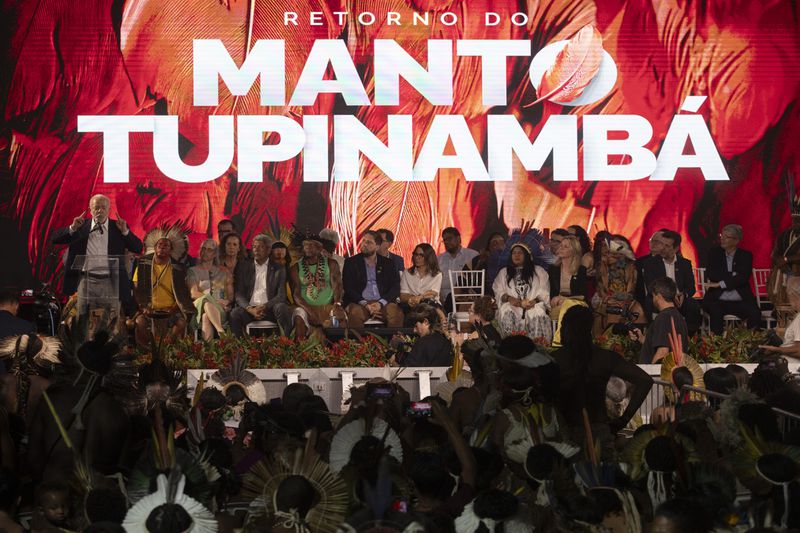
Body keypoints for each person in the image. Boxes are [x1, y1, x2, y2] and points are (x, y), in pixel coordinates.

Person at [552, 306, 653, 456]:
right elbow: (644, 380)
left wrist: (624, 419)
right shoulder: (603, 358)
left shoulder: (556, 360)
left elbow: (645, 380)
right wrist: (624, 419)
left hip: (571, 432)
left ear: (566, 328)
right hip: (591, 430)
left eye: (561, 327)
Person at [50, 194, 143, 314]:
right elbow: (54, 239)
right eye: (96, 207)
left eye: (104, 207)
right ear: (90, 210)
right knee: (82, 318)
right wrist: (72, 228)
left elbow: (138, 248)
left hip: (111, 281)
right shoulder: (80, 226)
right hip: (85, 279)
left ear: (109, 210)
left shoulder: (118, 227)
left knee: (110, 320)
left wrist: (125, 231)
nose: (100, 210)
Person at [132, 230, 194, 345]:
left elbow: (181, 294)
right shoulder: (143, 266)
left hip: (170, 310)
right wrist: (144, 307)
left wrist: (172, 310)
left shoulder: (178, 269)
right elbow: (137, 290)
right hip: (149, 310)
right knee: (139, 321)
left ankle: (167, 345)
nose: (162, 248)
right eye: (159, 245)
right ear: (155, 248)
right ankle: (151, 348)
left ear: (171, 250)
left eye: (166, 246)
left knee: (181, 323)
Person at [702, 224, 761, 333]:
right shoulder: (714, 253)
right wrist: (733, 275)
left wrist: (720, 283)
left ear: (736, 240)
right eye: (721, 236)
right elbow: (712, 274)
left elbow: (743, 277)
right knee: (716, 312)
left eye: (726, 237)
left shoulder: (746, 256)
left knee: (755, 313)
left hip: (741, 299)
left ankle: (750, 344)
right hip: (718, 299)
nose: (722, 239)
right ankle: (716, 345)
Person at [230, 234, 292, 336]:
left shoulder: (279, 269)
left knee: (282, 308)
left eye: (260, 247)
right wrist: (250, 309)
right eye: (254, 247)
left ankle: (286, 345)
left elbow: (281, 295)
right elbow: (238, 294)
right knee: (235, 313)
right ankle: (239, 348)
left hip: (269, 309)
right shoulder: (243, 267)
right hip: (250, 310)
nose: (256, 250)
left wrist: (265, 306)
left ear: (268, 250)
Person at [641, 230, 701, 334]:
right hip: (660, 297)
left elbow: (691, 288)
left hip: (680, 299)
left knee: (693, 305)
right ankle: (655, 337)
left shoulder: (685, 264)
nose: (662, 248)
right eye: (662, 244)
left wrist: (684, 295)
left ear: (676, 248)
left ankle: (689, 337)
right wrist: (670, 296)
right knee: (649, 302)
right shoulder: (650, 263)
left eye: (667, 246)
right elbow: (651, 286)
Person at [342, 231, 403, 328]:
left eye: (369, 242)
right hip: (360, 303)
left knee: (396, 313)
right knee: (354, 314)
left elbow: (395, 287)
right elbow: (348, 288)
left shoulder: (388, 263)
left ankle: (393, 342)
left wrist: (380, 303)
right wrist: (366, 304)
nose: (364, 244)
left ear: (377, 247)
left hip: (382, 302)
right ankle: (358, 343)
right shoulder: (351, 262)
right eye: (363, 241)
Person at [289, 233, 344, 338]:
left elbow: (337, 286)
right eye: (305, 245)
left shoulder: (331, 264)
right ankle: (300, 350)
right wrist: (310, 311)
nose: (308, 248)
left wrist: (337, 304)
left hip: (328, 306)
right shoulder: (295, 268)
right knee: (298, 316)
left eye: (311, 245)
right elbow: (296, 295)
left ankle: (339, 350)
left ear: (319, 248)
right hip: (305, 307)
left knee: (340, 316)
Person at [492, 242, 551, 339]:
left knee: (537, 312)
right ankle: (511, 345)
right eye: (514, 253)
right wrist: (508, 298)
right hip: (512, 305)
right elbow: (498, 290)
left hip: (532, 305)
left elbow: (544, 292)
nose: (516, 255)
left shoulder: (539, 271)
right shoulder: (504, 272)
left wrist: (534, 301)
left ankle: (538, 347)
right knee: (506, 310)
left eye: (520, 253)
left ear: (527, 255)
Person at [594, 236, 646, 335]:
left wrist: (622, 299)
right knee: (608, 308)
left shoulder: (631, 268)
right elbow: (601, 289)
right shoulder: (602, 266)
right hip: (606, 299)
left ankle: (634, 339)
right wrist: (610, 298)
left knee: (637, 310)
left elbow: (631, 291)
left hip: (626, 300)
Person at [631, 277, 689, 364]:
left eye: (653, 295)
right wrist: (643, 339)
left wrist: (650, 375)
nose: (653, 299)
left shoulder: (663, 317)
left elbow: (662, 352)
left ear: (658, 296)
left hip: (659, 375)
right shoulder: (678, 316)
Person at [187, 239, 233, 340]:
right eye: (203, 249)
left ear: (214, 254)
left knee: (206, 316)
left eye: (209, 250)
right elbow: (193, 293)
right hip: (199, 307)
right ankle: (221, 331)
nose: (205, 252)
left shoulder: (224, 271)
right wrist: (213, 300)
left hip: (220, 309)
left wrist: (227, 301)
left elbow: (230, 295)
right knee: (207, 303)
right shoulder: (192, 271)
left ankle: (209, 352)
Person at [437, 227, 479, 310]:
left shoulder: (472, 256)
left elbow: (477, 281)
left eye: (449, 238)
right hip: (442, 299)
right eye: (444, 240)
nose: (446, 242)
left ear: (458, 238)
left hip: (465, 298)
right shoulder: (439, 259)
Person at [759, 275, 800, 359]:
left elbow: (798, 350)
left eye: (789, 296)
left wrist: (777, 350)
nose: (788, 299)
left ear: (794, 295)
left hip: (792, 366)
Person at [548, 235, 589, 317]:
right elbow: (550, 290)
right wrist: (554, 298)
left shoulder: (581, 270)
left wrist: (566, 299)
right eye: (561, 246)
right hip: (557, 301)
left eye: (565, 247)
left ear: (574, 251)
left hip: (575, 302)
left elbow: (583, 294)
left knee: (567, 310)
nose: (561, 248)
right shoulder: (553, 269)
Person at [399, 243, 442, 315]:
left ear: (428, 257)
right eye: (415, 254)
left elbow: (433, 293)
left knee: (429, 306)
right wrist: (411, 299)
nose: (417, 257)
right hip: (412, 304)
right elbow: (403, 295)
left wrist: (420, 298)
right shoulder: (407, 273)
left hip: (430, 305)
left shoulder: (437, 274)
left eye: (421, 255)